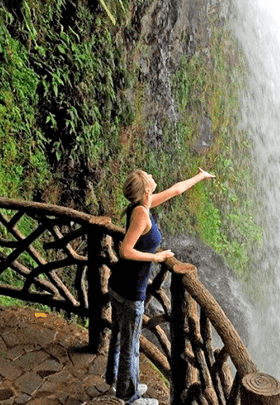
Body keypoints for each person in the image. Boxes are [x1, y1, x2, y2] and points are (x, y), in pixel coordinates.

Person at [105, 168, 215, 405]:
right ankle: (129, 396)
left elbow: (176, 190)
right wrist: (156, 257)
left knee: (120, 335)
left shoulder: (142, 204)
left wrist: (200, 176)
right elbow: (125, 250)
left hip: (119, 285)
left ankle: (114, 378)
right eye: (149, 177)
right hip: (129, 290)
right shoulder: (141, 214)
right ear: (146, 188)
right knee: (130, 345)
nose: (154, 177)